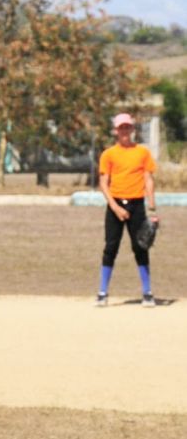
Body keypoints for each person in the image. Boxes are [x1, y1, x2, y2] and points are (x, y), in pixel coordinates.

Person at [95, 113, 160, 308]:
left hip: (137, 204)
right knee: (110, 248)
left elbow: (148, 179)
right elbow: (103, 183)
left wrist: (152, 206)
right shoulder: (109, 154)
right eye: (121, 127)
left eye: (127, 127)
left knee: (141, 246)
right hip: (115, 204)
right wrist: (115, 208)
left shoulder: (142, 152)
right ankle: (102, 293)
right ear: (116, 131)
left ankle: (147, 293)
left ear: (132, 129)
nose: (124, 131)